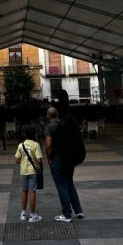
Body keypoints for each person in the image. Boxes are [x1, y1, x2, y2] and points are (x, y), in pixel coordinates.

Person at [45, 90, 84, 223]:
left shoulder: (53, 126)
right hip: (70, 159)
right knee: (70, 184)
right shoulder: (69, 119)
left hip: (59, 159)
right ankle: (78, 210)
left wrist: (49, 157)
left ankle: (66, 214)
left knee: (62, 186)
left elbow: (49, 145)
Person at [15, 126, 43, 222]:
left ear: (24, 134)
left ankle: (23, 213)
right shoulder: (36, 145)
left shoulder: (21, 145)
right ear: (34, 134)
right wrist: (40, 167)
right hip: (33, 171)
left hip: (23, 171)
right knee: (32, 192)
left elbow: (17, 159)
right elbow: (39, 160)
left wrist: (22, 161)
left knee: (24, 191)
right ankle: (32, 215)